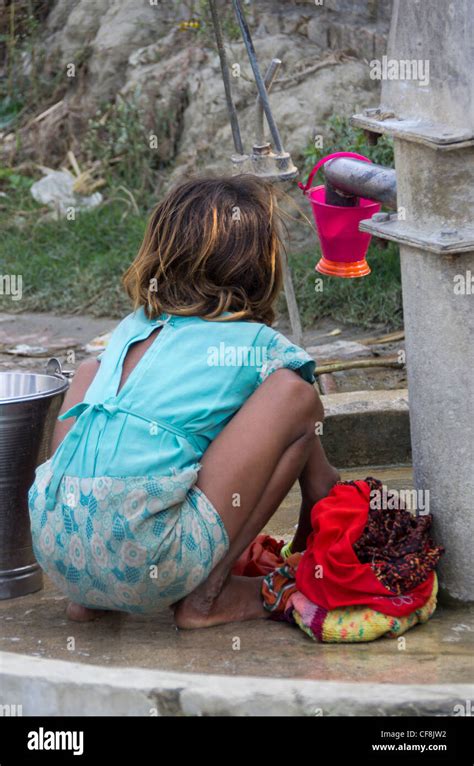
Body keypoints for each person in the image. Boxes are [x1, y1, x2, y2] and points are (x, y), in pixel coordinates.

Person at [28, 175, 339, 629]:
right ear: (260, 269)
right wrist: (321, 501)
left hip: (58, 555)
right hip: (148, 556)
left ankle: (92, 598)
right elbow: (295, 411)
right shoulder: (256, 345)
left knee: (91, 373)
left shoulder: (131, 329)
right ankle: (208, 598)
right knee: (294, 395)